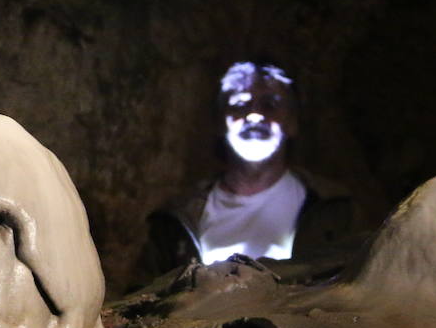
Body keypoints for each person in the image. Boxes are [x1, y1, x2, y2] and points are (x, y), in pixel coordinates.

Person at [140, 61, 357, 279]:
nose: (254, 115)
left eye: (270, 104)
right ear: (219, 123)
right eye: (239, 104)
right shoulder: (175, 220)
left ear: (292, 122)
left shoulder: (334, 210)